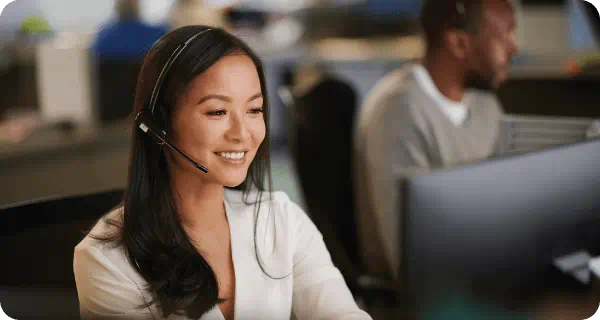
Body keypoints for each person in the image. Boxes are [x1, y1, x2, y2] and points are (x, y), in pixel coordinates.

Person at [74, 26, 372, 320]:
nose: (243, 134)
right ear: (158, 125)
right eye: (217, 112)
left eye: (254, 110)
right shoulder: (107, 261)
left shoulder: (281, 220)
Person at [354, 0, 518, 279]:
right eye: (504, 35)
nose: (513, 48)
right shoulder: (398, 113)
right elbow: (407, 258)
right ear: (458, 43)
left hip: (483, 273)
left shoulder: (486, 106)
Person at [92, 0, 168, 61]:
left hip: (113, 79)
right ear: (138, 5)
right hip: (147, 79)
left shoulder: (103, 35)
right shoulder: (158, 33)